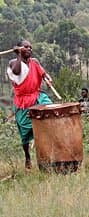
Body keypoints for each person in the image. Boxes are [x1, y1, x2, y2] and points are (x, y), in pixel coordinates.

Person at [7, 40, 53, 169]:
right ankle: (27, 156)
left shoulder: (35, 62)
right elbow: (17, 72)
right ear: (20, 49)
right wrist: (19, 55)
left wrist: (48, 79)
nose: (29, 49)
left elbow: (43, 74)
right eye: (26, 47)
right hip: (22, 101)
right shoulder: (13, 63)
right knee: (25, 132)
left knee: (49, 112)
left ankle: (48, 154)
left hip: (37, 96)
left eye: (30, 47)